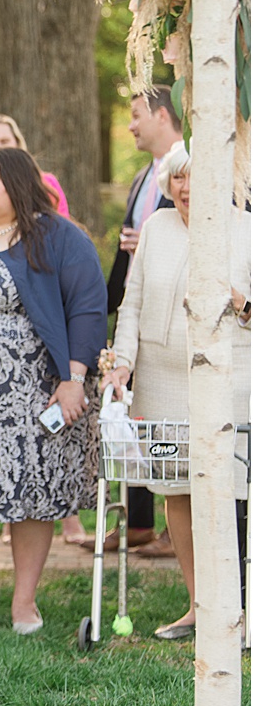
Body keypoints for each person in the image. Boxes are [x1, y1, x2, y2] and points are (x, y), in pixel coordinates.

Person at [0, 148, 106, 635]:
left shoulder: (55, 237)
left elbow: (89, 306)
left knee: (31, 492)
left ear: (20, 184)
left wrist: (73, 378)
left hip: (30, 395)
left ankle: (23, 603)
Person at [107, 144, 252, 638]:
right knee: (178, 491)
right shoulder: (156, 229)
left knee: (233, 495)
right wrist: (122, 362)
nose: (185, 188)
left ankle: (241, 610)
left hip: (228, 382)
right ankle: (198, 607)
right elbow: (133, 302)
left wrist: (243, 302)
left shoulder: (247, 229)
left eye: (195, 176)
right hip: (162, 382)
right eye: (178, 179)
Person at [105, 86, 185, 551]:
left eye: (136, 115)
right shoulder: (141, 179)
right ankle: (138, 523)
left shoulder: (194, 167)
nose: (131, 125)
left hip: (174, 317)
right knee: (134, 414)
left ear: (161, 114)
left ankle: (176, 530)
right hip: (137, 309)